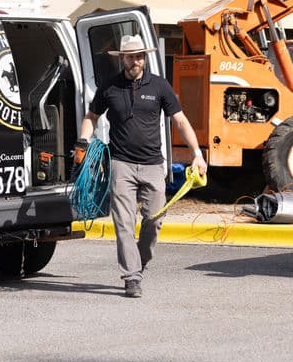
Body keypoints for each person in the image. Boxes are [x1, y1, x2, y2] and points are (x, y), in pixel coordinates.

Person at [77, 34, 207, 298]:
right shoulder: (110, 87)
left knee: (154, 220)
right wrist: (82, 142)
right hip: (120, 164)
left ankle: (140, 259)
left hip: (152, 165)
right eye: (130, 57)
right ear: (122, 59)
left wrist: (197, 154)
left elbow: (180, 120)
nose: (135, 61)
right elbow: (91, 116)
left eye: (139, 56)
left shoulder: (159, 86)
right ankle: (132, 277)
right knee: (124, 223)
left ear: (144, 58)